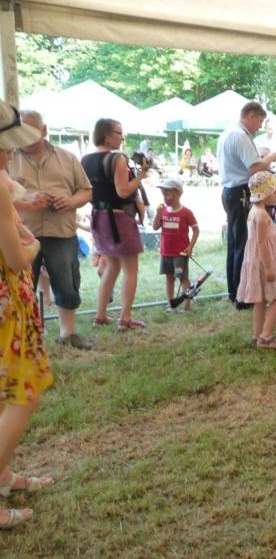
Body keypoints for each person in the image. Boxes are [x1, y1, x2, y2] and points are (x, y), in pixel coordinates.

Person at [0, 103, 54, 529]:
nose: (10, 154)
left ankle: (4, 476)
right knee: (24, 394)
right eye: (6, 147)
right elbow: (18, 256)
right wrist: (33, 245)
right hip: (7, 305)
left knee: (8, 394)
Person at [9, 110, 94, 349]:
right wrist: (28, 198)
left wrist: (69, 201)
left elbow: (86, 191)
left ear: (44, 130)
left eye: (32, 130)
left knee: (67, 282)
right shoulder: (7, 158)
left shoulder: (67, 158)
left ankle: (68, 333)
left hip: (61, 231)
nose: (26, 135)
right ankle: (24, 338)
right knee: (21, 286)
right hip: (22, 234)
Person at [81, 118, 151, 330]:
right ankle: (125, 318)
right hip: (119, 218)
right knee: (130, 269)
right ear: (107, 136)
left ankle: (100, 316)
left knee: (112, 266)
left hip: (98, 216)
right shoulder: (118, 158)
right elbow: (123, 191)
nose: (122, 136)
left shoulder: (86, 160)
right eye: (119, 133)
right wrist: (141, 175)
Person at [218, 101, 269, 308]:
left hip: (230, 190)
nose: (259, 127)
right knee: (244, 243)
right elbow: (254, 167)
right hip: (240, 192)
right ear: (251, 116)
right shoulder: (240, 135)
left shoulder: (228, 133)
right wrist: (270, 158)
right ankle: (242, 295)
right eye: (259, 121)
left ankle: (234, 291)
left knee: (234, 243)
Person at [237, 171, 276, 351]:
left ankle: (257, 335)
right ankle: (266, 336)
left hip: (256, 259)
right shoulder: (261, 215)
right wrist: (269, 268)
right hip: (265, 259)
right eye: (274, 192)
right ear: (266, 193)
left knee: (260, 299)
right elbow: (261, 243)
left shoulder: (255, 211)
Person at [151, 178, 199, 312]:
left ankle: (187, 305)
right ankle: (170, 303)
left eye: (167, 194)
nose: (165, 198)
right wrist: (158, 214)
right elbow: (155, 227)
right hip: (166, 252)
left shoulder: (186, 212)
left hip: (179, 254)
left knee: (182, 278)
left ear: (178, 194)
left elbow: (196, 230)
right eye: (163, 195)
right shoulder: (163, 211)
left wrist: (190, 246)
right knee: (169, 278)